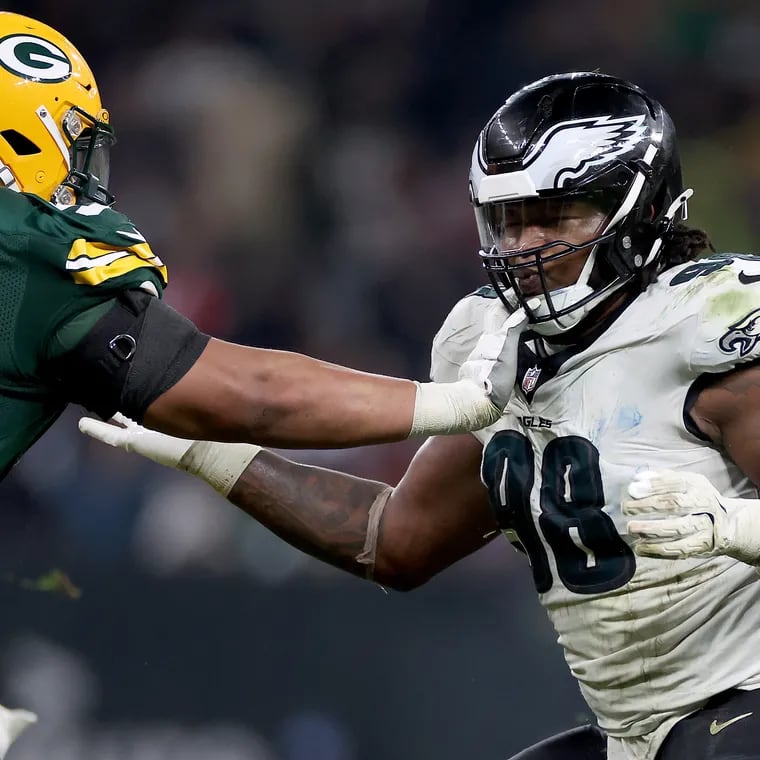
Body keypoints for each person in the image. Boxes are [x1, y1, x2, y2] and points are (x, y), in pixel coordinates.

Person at [80, 71, 760, 760]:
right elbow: (397, 541)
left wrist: (731, 526)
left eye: (554, 217)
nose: (525, 246)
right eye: (508, 219)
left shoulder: (713, 325)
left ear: (641, 210)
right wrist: (212, 453)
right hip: (641, 732)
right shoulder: (489, 342)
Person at [0, 9, 529, 483]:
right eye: (78, 147)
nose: (84, 176)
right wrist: (455, 403)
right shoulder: (30, 247)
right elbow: (255, 395)